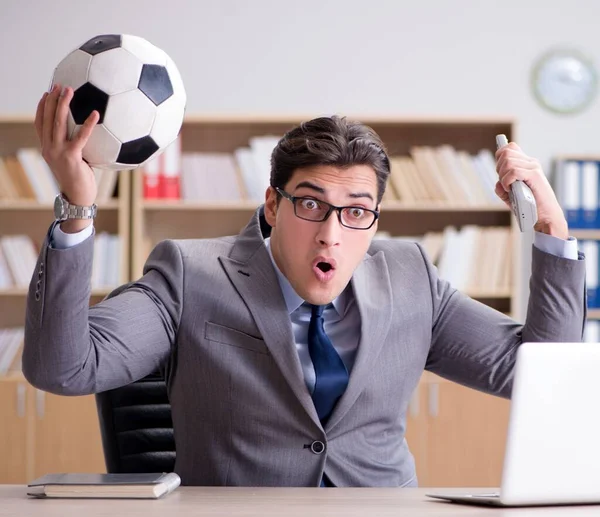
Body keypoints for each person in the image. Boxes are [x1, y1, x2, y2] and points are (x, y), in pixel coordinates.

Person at [23, 84, 586, 487]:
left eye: (356, 212)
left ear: (375, 218)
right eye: (312, 204)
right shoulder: (188, 273)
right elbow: (64, 367)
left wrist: (553, 235)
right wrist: (77, 211)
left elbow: (537, 373)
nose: (331, 236)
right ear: (272, 203)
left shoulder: (411, 275)